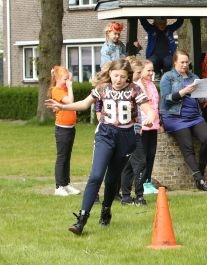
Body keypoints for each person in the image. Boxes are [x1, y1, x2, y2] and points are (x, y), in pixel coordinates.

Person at [45, 59, 156, 235]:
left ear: (128, 77)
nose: (118, 79)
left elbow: (148, 109)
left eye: (122, 76)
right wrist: (62, 106)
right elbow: (84, 103)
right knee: (96, 176)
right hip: (105, 134)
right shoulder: (103, 88)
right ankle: (81, 220)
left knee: (112, 179)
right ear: (110, 74)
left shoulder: (134, 89)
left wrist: (150, 116)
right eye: (115, 75)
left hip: (126, 137)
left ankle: (106, 209)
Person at [159, 49, 207, 191]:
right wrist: (183, 92)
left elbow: (199, 99)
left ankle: (200, 173)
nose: (185, 65)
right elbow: (165, 100)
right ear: (175, 62)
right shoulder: (168, 77)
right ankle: (200, 181)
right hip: (174, 117)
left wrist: (203, 96)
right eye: (181, 62)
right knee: (187, 146)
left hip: (194, 116)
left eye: (186, 62)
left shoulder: (193, 76)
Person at [120, 58, 160, 204]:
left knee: (131, 164)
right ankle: (138, 195)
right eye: (137, 72)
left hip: (138, 129)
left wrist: (150, 119)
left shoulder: (136, 88)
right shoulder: (126, 89)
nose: (138, 75)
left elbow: (148, 107)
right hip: (127, 132)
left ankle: (126, 196)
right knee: (139, 162)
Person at [49, 66, 80, 197]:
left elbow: (70, 75)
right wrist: (70, 86)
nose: (68, 81)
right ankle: (59, 186)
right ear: (57, 79)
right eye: (64, 79)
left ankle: (66, 184)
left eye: (68, 78)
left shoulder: (64, 88)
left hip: (70, 128)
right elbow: (70, 102)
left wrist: (67, 77)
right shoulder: (57, 90)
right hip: (62, 129)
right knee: (62, 157)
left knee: (67, 157)